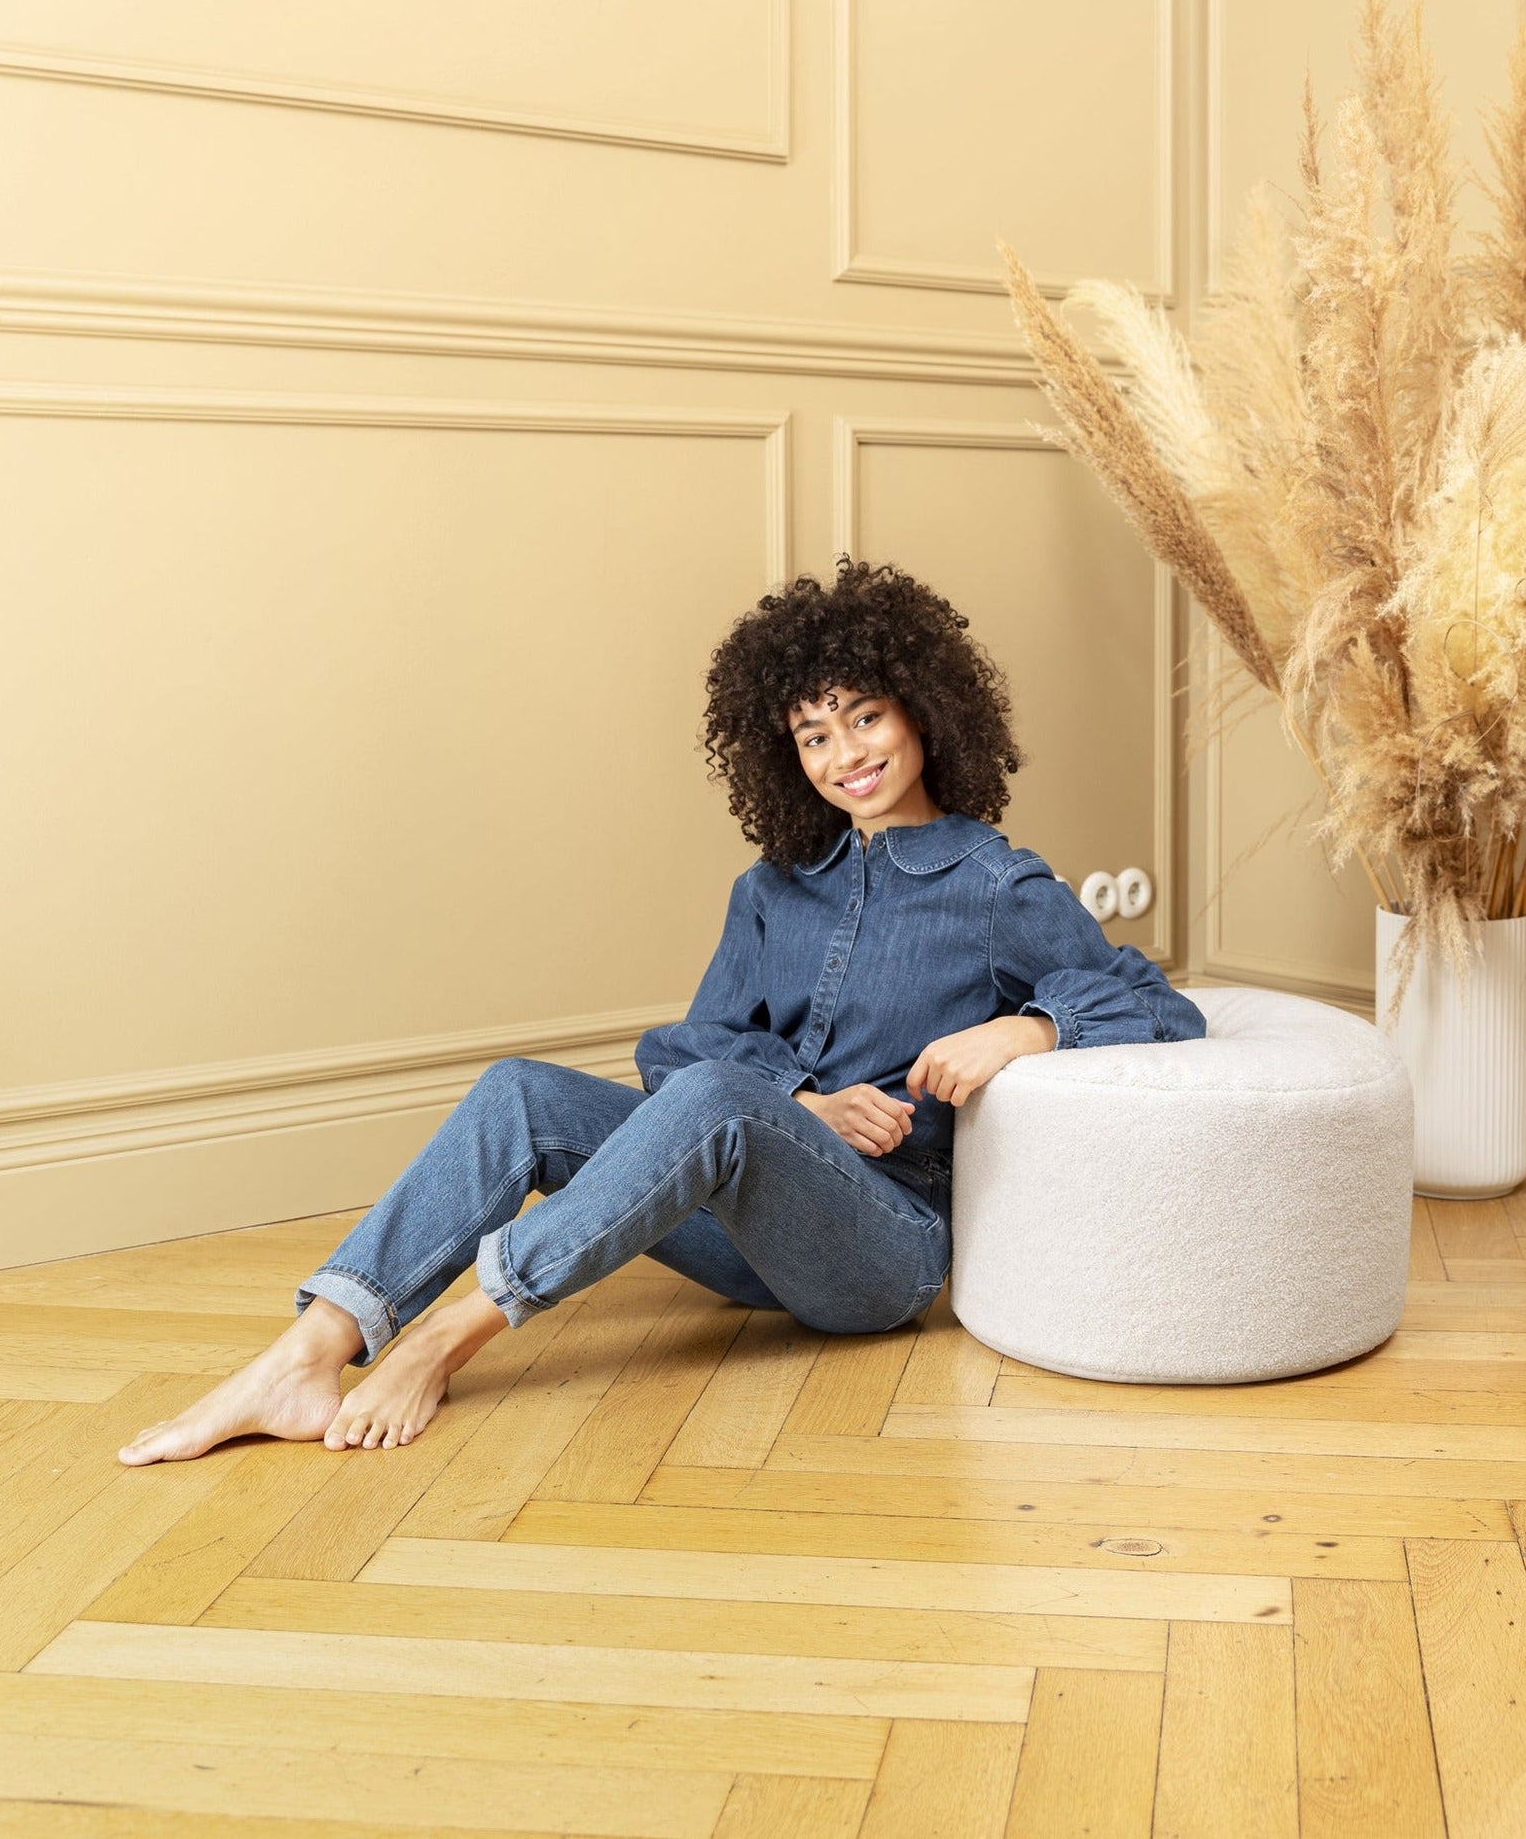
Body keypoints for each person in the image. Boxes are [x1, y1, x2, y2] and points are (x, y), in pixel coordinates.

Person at [119, 559, 1206, 1465]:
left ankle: (450, 1332)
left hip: (885, 1250)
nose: (846, 755)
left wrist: (1018, 1029)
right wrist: (804, 1104)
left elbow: (1156, 1003)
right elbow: (682, 1050)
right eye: (813, 734)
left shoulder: (995, 883)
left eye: (865, 716)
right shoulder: (773, 887)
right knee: (521, 1092)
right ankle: (312, 1349)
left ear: (923, 709)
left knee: (725, 1097)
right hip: (745, 1231)